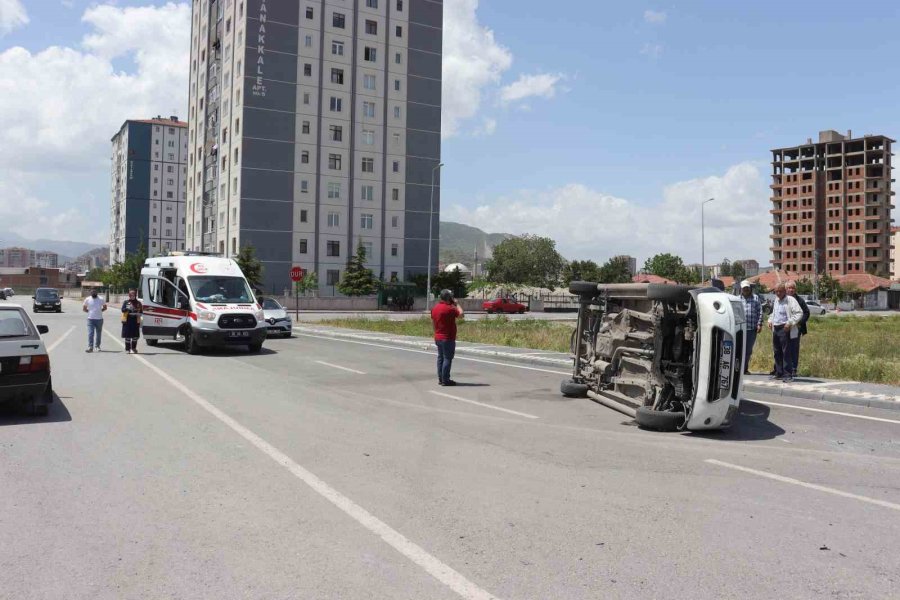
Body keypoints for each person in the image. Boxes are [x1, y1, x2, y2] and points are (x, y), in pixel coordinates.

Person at [767, 283, 803, 382]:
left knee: (786, 352)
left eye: (780, 291)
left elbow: (799, 313)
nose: (778, 293)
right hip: (776, 328)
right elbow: (774, 313)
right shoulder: (776, 300)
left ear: (785, 291)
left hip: (785, 328)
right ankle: (779, 372)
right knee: (777, 351)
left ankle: (788, 374)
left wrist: (790, 323)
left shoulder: (791, 300)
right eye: (776, 291)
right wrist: (770, 321)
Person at [431, 289, 463, 386]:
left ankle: (441, 379)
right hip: (447, 338)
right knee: (447, 358)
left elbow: (433, 323)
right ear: (449, 298)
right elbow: (461, 315)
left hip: (438, 337)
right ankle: (446, 380)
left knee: (440, 358)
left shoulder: (435, 308)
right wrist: (457, 304)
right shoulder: (450, 308)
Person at [785, 280, 810, 378]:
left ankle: (794, 368)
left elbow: (806, 313)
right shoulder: (782, 299)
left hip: (796, 328)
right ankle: (782, 368)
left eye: (792, 288)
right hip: (784, 328)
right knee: (783, 348)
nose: (791, 290)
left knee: (794, 348)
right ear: (785, 289)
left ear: (795, 289)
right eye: (789, 288)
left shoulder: (800, 300)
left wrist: (798, 323)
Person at [739, 281, 762, 374]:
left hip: (752, 329)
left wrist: (759, 324)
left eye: (747, 288)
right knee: (740, 349)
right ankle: (739, 369)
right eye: (744, 288)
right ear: (741, 289)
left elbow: (760, 311)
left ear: (750, 288)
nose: (746, 289)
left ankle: (744, 369)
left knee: (748, 350)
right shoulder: (737, 299)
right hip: (740, 329)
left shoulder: (756, 298)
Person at [82, 287, 108, 352]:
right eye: (92, 292)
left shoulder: (101, 299)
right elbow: (84, 308)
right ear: (90, 292)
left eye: (95, 292)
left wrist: (100, 311)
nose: (94, 293)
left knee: (98, 334)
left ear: (97, 292)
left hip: (99, 319)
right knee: (90, 333)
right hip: (90, 319)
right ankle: (90, 347)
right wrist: (90, 312)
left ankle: (97, 346)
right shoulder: (87, 299)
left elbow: (105, 307)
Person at [121, 289, 143, 354]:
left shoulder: (138, 303)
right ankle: (127, 349)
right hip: (127, 321)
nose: (132, 296)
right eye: (131, 295)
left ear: (135, 295)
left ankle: (134, 348)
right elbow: (122, 310)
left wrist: (139, 313)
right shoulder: (126, 302)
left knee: (135, 336)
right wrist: (127, 309)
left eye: (134, 294)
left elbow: (141, 311)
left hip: (135, 321)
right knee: (127, 336)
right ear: (129, 295)